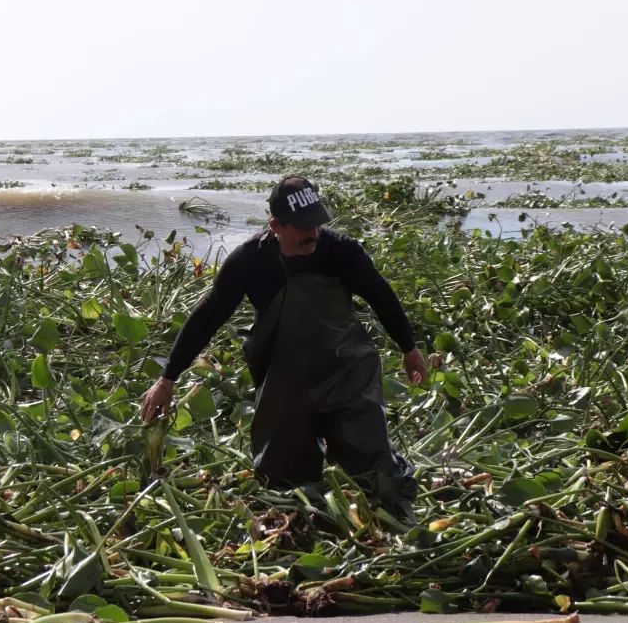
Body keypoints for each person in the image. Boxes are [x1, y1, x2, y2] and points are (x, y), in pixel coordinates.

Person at [140, 176, 427, 517]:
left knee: (377, 473)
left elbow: (383, 298)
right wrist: (168, 378)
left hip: (347, 372)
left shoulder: (343, 252)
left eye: (318, 224)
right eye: (304, 227)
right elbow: (208, 316)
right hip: (284, 381)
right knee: (283, 483)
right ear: (276, 224)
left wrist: (409, 349)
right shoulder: (250, 261)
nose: (314, 234)